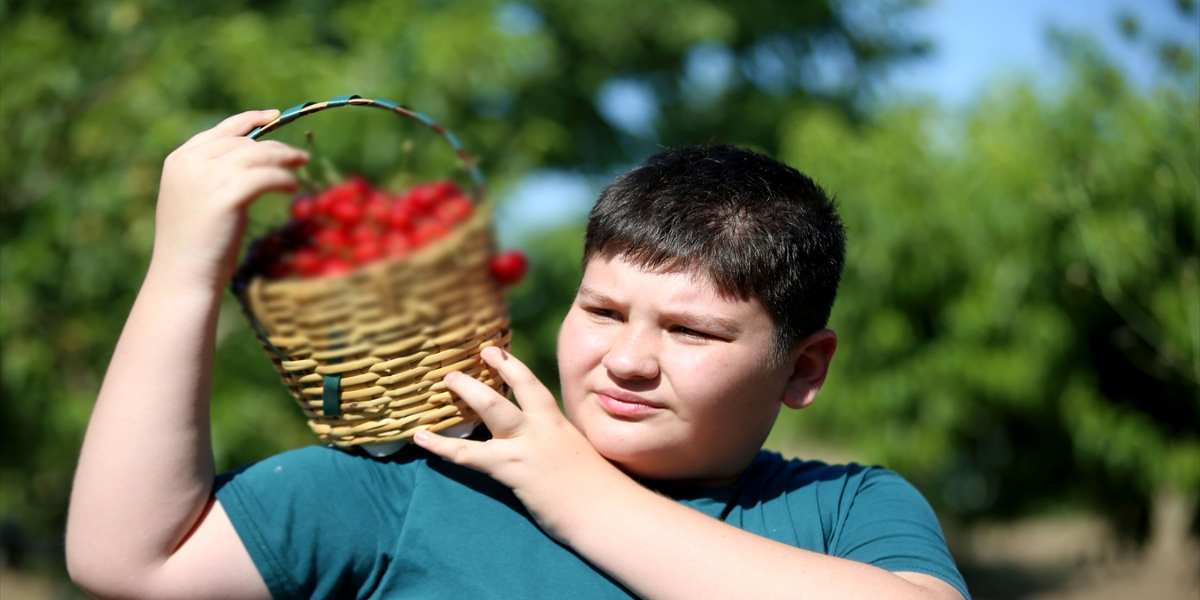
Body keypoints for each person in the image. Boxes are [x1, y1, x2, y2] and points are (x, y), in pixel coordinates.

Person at [65, 110, 970, 599]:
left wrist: (578, 494)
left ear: (805, 368)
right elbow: (130, 563)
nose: (627, 360)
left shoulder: (842, 512)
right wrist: (185, 273)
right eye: (602, 310)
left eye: (690, 331)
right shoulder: (415, 486)